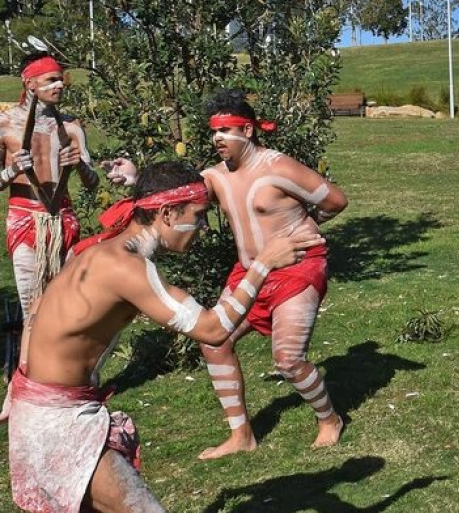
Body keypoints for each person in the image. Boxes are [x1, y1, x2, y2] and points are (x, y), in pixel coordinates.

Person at [6, 161, 324, 512]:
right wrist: (263, 264)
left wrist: (19, 383)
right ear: (169, 214)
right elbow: (213, 330)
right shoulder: (126, 268)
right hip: (60, 423)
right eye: (199, 215)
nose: (202, 226)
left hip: (43, 408)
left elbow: (37, 307)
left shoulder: (97, 248)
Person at [108, 91, 348, 459]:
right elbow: (177, 196)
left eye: (226, 130)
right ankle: (241, 436)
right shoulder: (215, 178)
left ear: (248, 130)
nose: (217, 138)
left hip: (297, 268)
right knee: (214, 341)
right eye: (214, 131)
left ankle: (329, 420)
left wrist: (309, 227)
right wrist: (136, 176)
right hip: (249, 272)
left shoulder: (279, 168)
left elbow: (335, 200)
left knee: (287, 358)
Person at [0, 52, 99, 332]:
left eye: (61, 80)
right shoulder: (6, 124)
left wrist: (79, 165)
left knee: (67, 303)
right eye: (51, 80)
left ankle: (61, 369)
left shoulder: (71, 125)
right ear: (30, 84)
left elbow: (93, 183)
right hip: (25, 221)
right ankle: (27, 372)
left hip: (62, 221)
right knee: (32, 307)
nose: (60, 85)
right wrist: (11, 171)